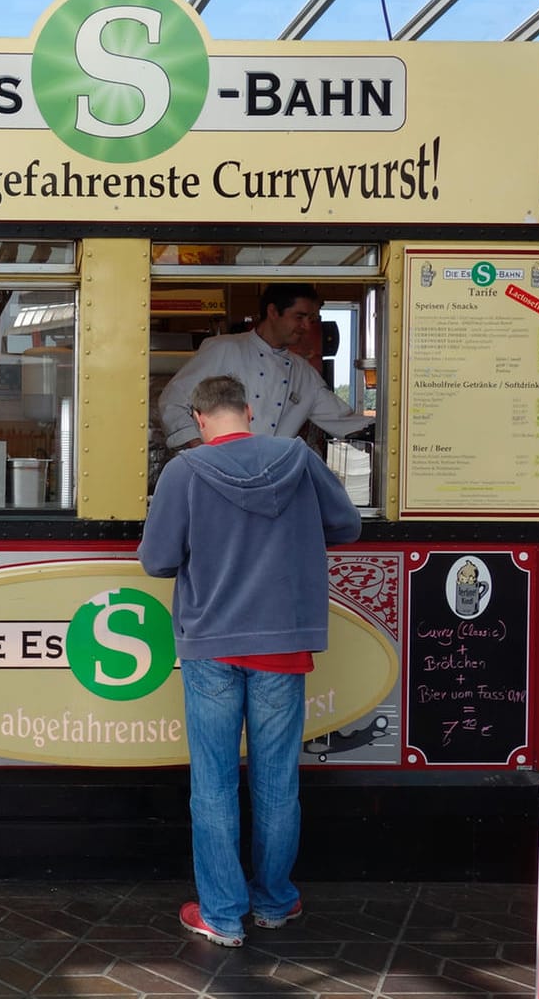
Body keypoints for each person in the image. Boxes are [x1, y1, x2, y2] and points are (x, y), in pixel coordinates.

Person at [137, 375, 362, 947]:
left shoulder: (183, 473)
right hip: (283, 643)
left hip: (212, 642)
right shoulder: (296, 457)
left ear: (198, 416)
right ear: (249, 409)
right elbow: (347, 526)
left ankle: (222, 914)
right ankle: (274, 902)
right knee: (277, 780)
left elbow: (158, 561)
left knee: (212, 784)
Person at [158, 283, 372, 451]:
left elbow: (344, 421)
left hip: (270, 480)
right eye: (300, 317)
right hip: (217, 474)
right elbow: (172, 401)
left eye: (312, 319)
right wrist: (200, 450)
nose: (307, 327)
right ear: (273, 312)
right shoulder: (223, 349)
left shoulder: (303, 373)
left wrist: (393, 430)